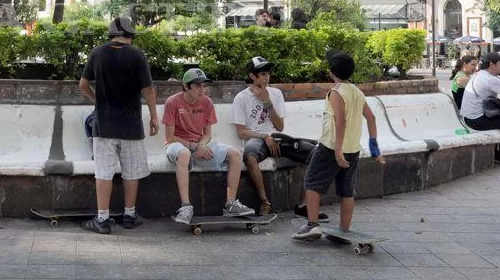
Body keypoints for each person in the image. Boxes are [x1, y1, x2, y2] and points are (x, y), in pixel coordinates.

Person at [78, 16, 159, 234]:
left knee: (103, 172)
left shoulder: (97, 53)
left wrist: (96, 99)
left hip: (104, 125)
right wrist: (153, 116)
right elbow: (149, 90)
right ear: (130, 35)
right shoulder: (137, 54)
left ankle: (102, 219)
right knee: (131, 172)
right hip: (131, 126)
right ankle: (130, 215)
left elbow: (83, 85)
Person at [293, 50, 384, 241]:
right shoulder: (357, 92)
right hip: (353, 149)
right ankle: (344, 230)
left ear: (331, 72)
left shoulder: (336, 92)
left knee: (311, 182)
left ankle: (312, 225)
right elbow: (371, 118)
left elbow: (340, 121)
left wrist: (337, 149)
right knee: (346, 190)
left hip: (331, 147)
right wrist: (374, 148)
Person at [233, 56, 325, 219]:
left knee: (316, 153)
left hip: (277, 138)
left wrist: (266, 101)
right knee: (250, 156)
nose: (266, 77)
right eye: (262, 74)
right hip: (256, 139)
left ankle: (304, 205)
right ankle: (265, 203)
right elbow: (241, 132)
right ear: (252, 76)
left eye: (268, 73)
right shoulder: (241, 98)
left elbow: (280, 126)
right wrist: (264, 136)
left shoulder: (275, 94)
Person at [164, 68, 254, 224]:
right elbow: (170, 137)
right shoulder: (173, 102)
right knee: (184, 154)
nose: (202, 89)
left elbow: (207, 134)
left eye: (204, 85)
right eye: (197, 86)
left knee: (235, 154)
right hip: (177, 145)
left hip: (200, 145)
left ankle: (230, 203)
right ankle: (186, 206)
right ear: (186, 86)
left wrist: (201, 145)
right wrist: (194, 146)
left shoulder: (207, 102)